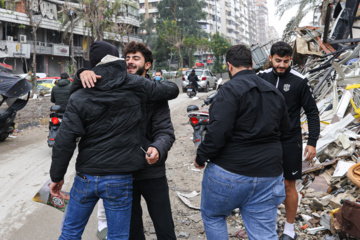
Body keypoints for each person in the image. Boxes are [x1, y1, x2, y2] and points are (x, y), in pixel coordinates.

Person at [49, 41, 179, 240]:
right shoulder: (115, 88)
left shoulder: (150, 90)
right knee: (128, 234)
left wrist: (158, 148)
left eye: (136, 58)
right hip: (122, 174)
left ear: (147, 65)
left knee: (164, 228)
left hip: (150, 172)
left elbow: (166, 131)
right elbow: (65, 138)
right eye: (127, 58)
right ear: (118, 61)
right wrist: (81, 74)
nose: (130, 62)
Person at [194, 44, 290, 240]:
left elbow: (217, 132)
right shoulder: (274, 93)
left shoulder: (228, 90)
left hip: (229, 173)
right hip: (268, 176)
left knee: (213, 216)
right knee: (264, 234)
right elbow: (285, 132)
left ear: (229, 66)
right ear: (252, 64)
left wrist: (201, 157)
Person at [258, 41, 320, 240]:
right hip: (264, 142)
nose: (282, 65)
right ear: (270, 58)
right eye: (278, 61)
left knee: (288, 185)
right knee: (263, 184)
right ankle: (267, 224)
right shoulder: (260, 78)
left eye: (286, 61)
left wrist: (312, 142)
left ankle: (289, 229)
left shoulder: (299, 81)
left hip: (290, 141)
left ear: (291, 59)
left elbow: (312, 112)